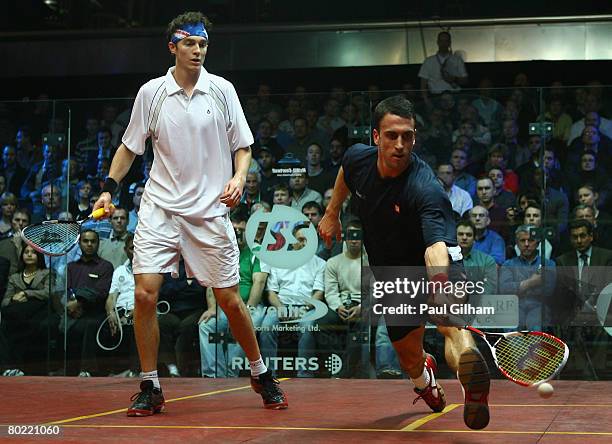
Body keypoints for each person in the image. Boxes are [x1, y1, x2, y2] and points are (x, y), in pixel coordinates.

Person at [93, 11, 286, 416]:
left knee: (230, 300)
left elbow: (244, 146)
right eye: (190, 44)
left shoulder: (222, 90)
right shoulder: (152, 93)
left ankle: (260, 373)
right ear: (173, 47)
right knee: (145, 294)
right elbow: (130, 147)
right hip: (160, 209)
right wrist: (108, 190)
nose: (198, 50)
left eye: (202, 44)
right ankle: (150, 385)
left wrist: (238, 178)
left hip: (210, 212)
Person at [319, 95, 491, 430]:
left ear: (415, 137)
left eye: (408, 136)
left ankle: (472, 385)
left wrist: (439, 287)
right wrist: (331, 212)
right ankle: (425, 382)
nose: (400, 144)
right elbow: (345, 174)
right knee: (409, 357)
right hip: (392, 270)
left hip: (434, 260)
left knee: (450, 325)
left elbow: (435, 248)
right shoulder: (357, 158)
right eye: (392, 135)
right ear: (375, 137)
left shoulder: (425, 187)